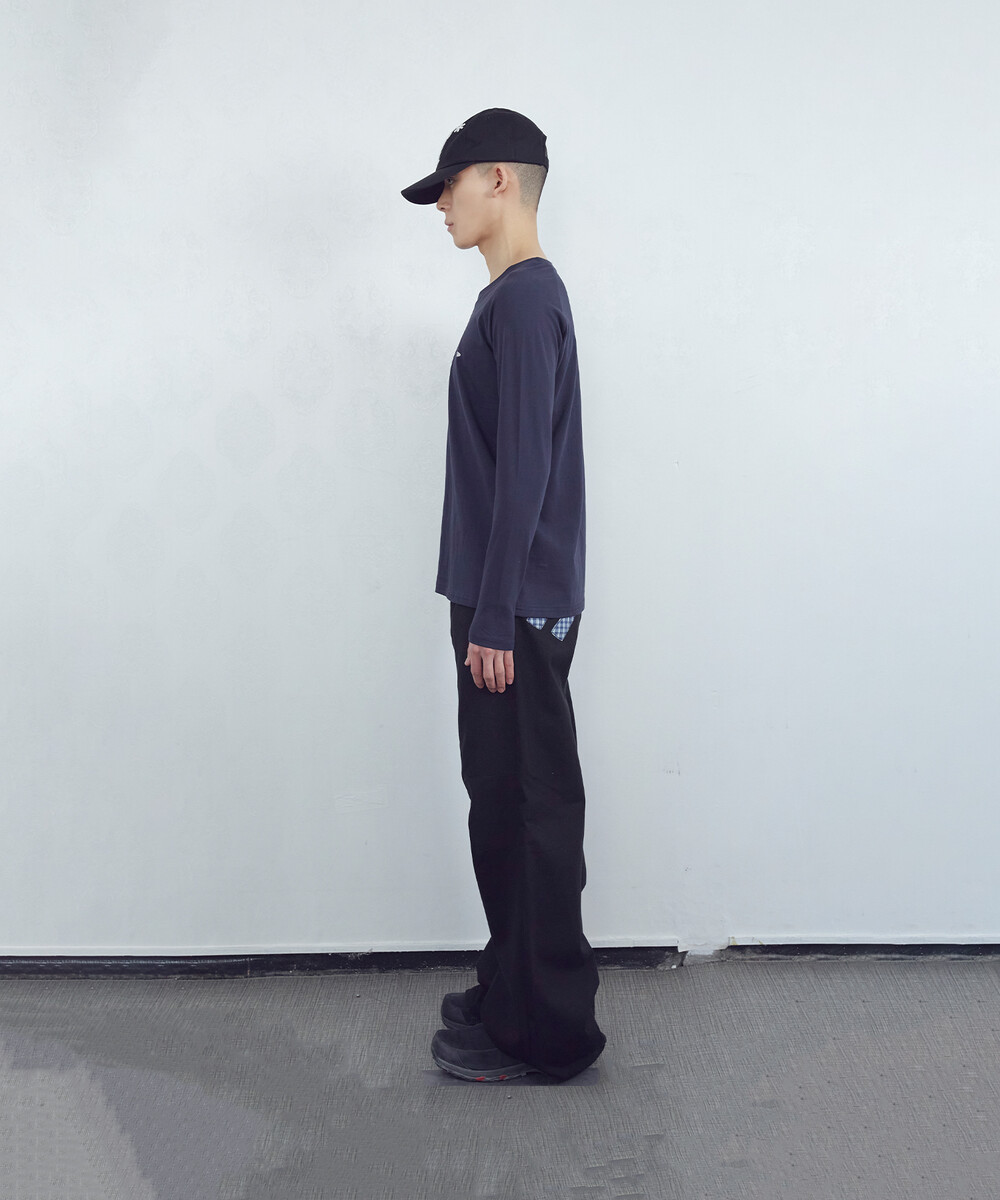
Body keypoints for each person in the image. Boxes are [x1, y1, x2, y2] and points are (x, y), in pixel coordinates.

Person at [401, 108, 606, 1083]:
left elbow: (525, 470)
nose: (440, 206)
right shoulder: (511, 299)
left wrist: (492, 616)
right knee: (502, 806)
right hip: (500, 602)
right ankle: (510, 984)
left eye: (448, 185)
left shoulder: (524, 301)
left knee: (529, 813)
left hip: (510, 610)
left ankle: (547, 1033)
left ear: (499, 179)